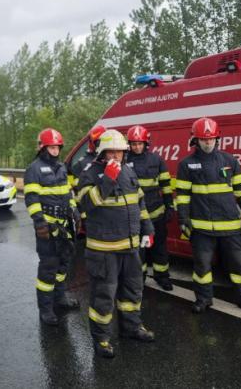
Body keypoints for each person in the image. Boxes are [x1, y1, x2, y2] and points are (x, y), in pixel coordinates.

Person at [75, 129, 155, 358]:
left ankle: (131, 328)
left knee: (133, 291)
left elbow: (139, 202)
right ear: (102, 152)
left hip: (130, 247)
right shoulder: (90, 173)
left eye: (120, 152)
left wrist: (147, 229)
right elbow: (86, 205)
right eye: (112, 152)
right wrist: (108, 180)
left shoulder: (129, 171)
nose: (116, 156)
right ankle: (101, 339)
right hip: (104, 249)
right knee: (103, 296)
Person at [174, 117, 241, 316]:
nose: (208, 143)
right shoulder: (186, 164)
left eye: (211, 139)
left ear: (218, 139)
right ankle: (203, 299)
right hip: (201, 228)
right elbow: (182, 196)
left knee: (240, 265)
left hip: (230, 226)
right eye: (204, 139)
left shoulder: (230, 161)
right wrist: (183, 220)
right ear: (195, 140)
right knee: (202, 267)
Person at [24, 128, 80, 326]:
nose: (55, 150)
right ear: (42, 147)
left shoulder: (62, 168)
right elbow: (31, 199)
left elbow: (68, 193)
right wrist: (39, 222)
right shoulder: (34, 169)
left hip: (64, 226)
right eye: (51, 147)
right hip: (47, 228)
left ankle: (60, 299)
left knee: (63, 266)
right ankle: (46, 310)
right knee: (48, 270)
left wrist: (74, 210)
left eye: (57, 147)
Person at [125, 125, 174, 290]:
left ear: (146, 143)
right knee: (139, 250)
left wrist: (169, 206)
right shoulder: (124, 161)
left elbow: (166, 185)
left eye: (140, 143)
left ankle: (162, 277)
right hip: (135, 215)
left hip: (156, 213)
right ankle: (140, 278)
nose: (137, 147)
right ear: (129, 144)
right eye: (134, 144)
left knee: (160, 247)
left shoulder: (156, 159)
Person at [69, 125, 106, 233]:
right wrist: (82, 215)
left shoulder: (110, 157)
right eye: (98, 142)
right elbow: (78, 193)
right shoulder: (81, 164)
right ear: (92, 143)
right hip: (91, 213)